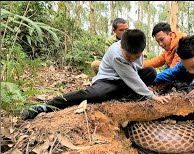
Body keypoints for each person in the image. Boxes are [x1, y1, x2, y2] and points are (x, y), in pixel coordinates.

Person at [22, 29, 171, 120]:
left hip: (125, 80)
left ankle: (128, 97)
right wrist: (152, 96)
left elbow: (135, 73)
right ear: (122, 46)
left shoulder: (136, 50)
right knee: (95, 94)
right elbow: (132, 78)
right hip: (108, 81)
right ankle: (46, 107)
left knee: (150, 72)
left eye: (136, 56)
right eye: (129, 57)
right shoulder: (117, 54)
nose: (134, 59)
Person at [144, 22, 194, 91]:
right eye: (158, 41)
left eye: (162, 40)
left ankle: (182, 88)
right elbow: (158, 60)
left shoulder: (182, 46)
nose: (160, 44)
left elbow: (173, 70)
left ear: (170, 35)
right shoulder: (169, 48)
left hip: (185, 74)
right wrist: (140, 64)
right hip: (173, 72)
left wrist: (154, 83)